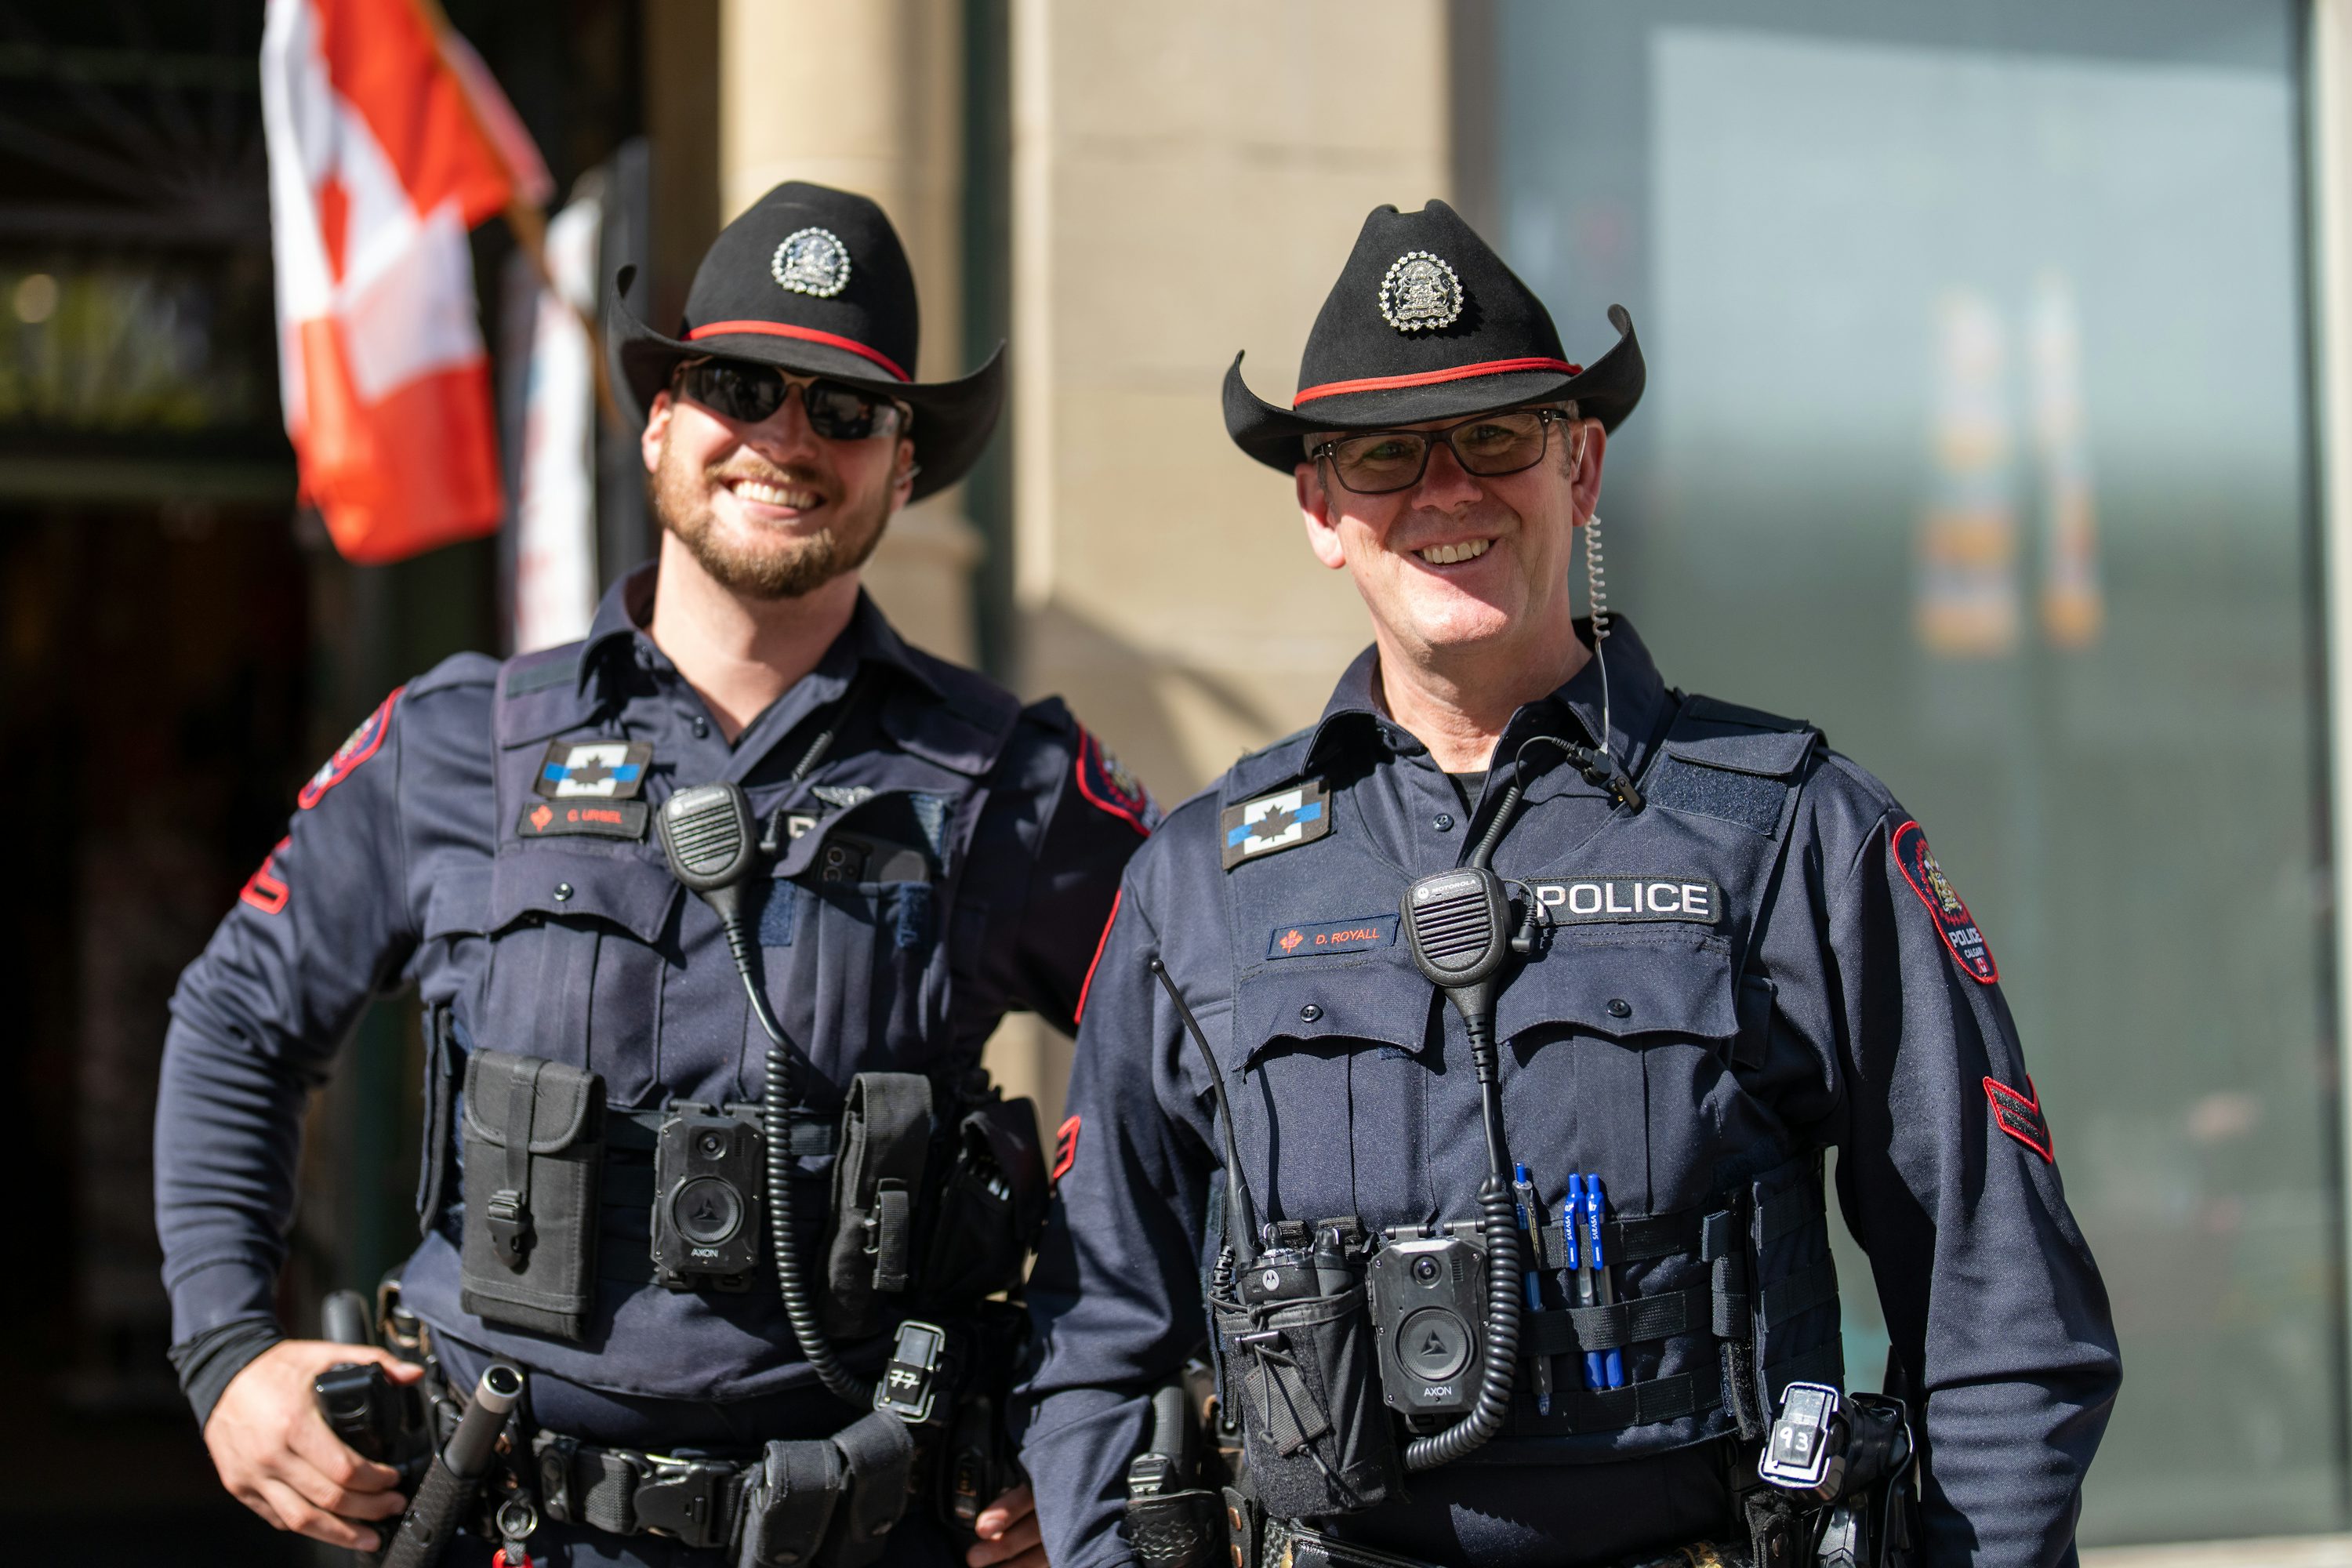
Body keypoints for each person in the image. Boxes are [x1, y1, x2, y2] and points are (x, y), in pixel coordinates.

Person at [1018, 200, 2120, 1568]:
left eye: (1496, 436)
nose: (1446, 490)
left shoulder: (1795, 835)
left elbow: (2001, 1315)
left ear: (1581, 466)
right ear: (1321, 506)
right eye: (1383, 455)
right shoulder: (1203, 879)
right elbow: (1092, 1334)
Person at [156, 182, 1155, 1568]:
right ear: (661, 421)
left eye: (846, 410)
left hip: (869, 1527)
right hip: (503, 1523)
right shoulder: (461, 744)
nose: (786, 440)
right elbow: (235, 1020)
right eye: (742, 385)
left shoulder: (1014, 784)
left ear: (905, 465)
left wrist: (1100, 1408)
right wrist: (225, 1347)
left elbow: (1213, 1067)